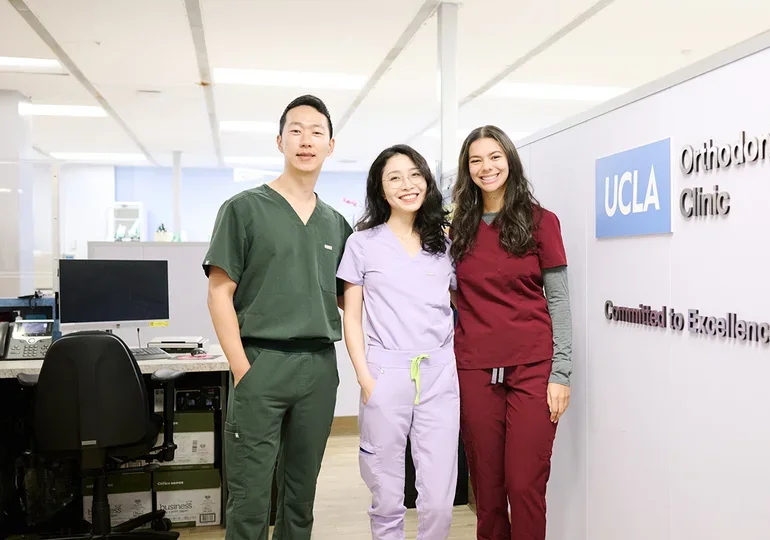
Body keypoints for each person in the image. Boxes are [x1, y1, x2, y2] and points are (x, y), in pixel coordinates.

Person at [203, 94, 353, 540]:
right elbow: (218, 292)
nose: (306, 140)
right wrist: (242, 370)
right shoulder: (243, 209)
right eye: (296, 130)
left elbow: (354, 301)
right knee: (249, 498)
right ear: (279, 140)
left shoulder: (336, 224)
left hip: (320, 368)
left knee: (300, 497)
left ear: (330, 145)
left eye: (316, 132)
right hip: (261, 363)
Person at [448, 125, 572, 540]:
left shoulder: (541, 222)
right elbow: (451, 294)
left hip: (533, 368)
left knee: (524, 486)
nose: (486, 167)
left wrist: (562, 372)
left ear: (510, 160)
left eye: (495, 157)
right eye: (476, 160)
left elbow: (558, 300)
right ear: (467, 169)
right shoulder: (458, 229)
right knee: (488, 489)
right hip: (475, 368)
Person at [336, 144, 461, 540]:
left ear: (426, 180)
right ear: (380, 188)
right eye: (394, 177)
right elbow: (351, 317)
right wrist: (365, 376)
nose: (407, 185)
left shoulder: (444, 242)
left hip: (440, 373)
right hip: (385, 371)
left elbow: (461, 303)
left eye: (414, 175)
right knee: (387, 494)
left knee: (439, 499)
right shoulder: (362, 243)